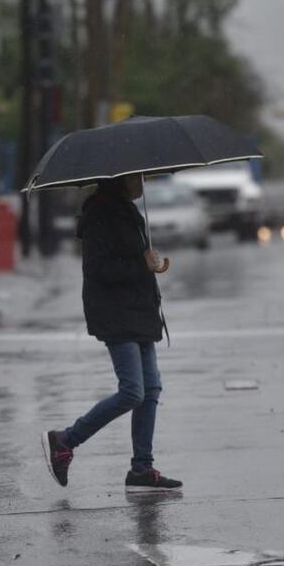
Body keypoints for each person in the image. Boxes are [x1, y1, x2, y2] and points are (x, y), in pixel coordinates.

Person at [42, 174, 182, 492]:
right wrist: (141, 266)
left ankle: (142, 468)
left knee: (151, 389)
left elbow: (133, 260)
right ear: (120, 180)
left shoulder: (128, 211)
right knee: (132, 391)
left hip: (139, 310)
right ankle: (65, 440)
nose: (142, 182)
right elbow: (99, 270)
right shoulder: (99, 215)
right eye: (137, 178)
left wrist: (153, 265)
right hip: (116, 313)